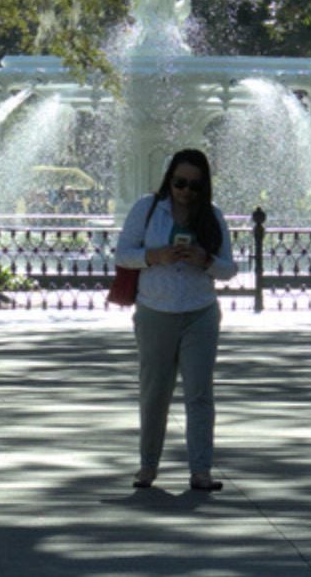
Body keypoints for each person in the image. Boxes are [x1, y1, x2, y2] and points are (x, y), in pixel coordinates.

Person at [114, 149, 237, 493]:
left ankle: (201, 470)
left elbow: (229, 269)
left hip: (200, 312)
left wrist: (205, 259)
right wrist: (154, 256)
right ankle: (147, 466)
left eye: (194, 186)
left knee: (199, 394)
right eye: (180, 183)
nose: (186, 191)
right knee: (155, 393)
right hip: (155, 311)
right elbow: (123, 254)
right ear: (169, 179)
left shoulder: (212, 216)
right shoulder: (148, 209)